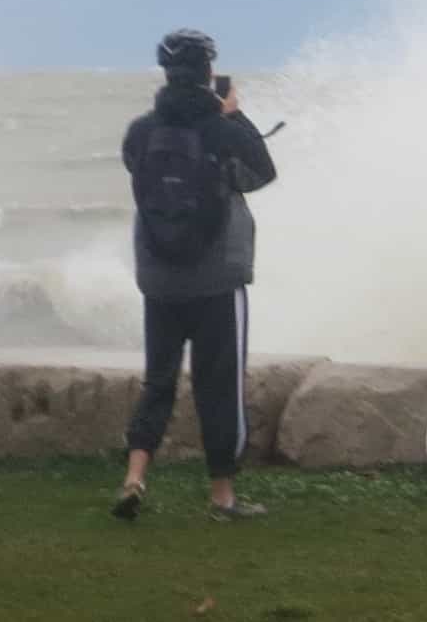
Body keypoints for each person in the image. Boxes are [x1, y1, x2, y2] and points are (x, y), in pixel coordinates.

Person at [113, 28, 277, 521]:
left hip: (159, 277)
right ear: (209, 72)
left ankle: (134, 478)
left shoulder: (141, 130)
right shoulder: (221, 128)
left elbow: (136, 173)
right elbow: (263, 171)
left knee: (158, 380)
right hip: (215, 279)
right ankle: (223, 497)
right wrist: (234, 114)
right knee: (217, 384)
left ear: (165, 72)